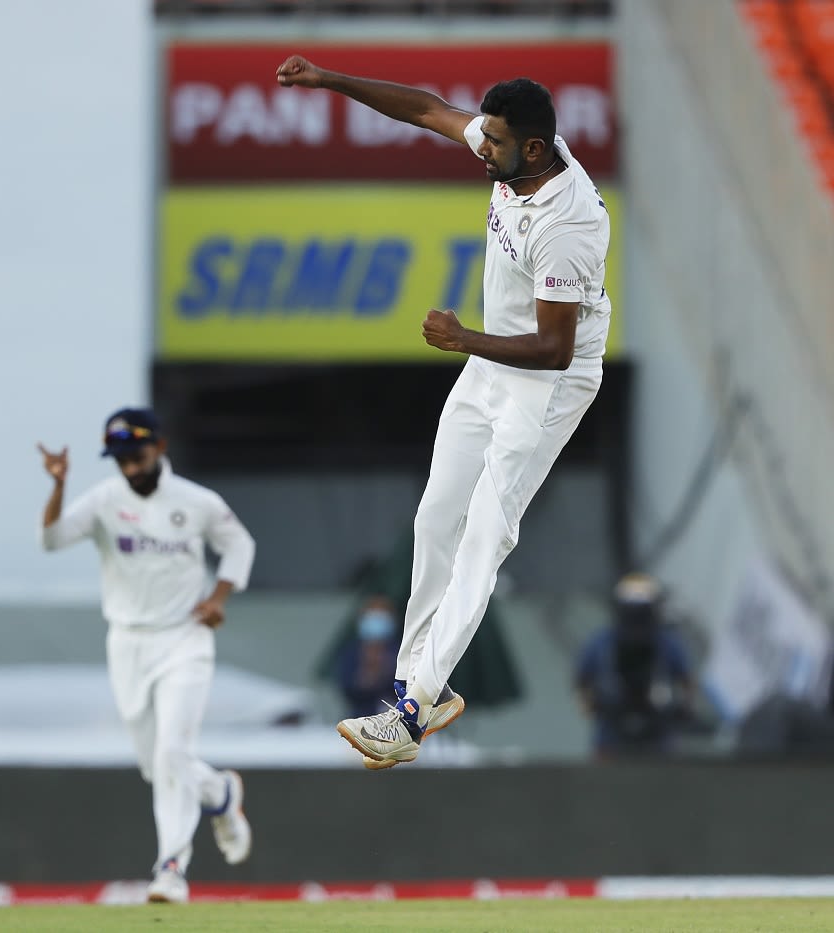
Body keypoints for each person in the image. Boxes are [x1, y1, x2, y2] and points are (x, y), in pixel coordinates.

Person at [276, 57, 611, 768]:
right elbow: (427, 109)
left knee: (486, 534)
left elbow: (555, 349)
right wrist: (331, 81)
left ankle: (413, 710)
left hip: (549, 383)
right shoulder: (514, 156)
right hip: (491, 363)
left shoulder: (569, 220)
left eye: (492, 140)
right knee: (436, 519)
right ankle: (414, 685)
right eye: (483, 135)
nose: (478, 146)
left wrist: (463, 339)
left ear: (531, 147)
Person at [37, 407, 256, 904]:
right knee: (157, 766)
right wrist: (58, 486)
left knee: (173, 752)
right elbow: (50, 540)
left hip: (185, 637)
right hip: (127, 642)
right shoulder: (104, 500)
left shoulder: (196, 502)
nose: (129, 467)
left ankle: (171, 870)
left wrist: (218, 598)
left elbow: (240, 545)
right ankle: (220, 794)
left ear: (159, 447)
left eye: (136, 455)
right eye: (119, 459)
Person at [576, 572, 695, 759]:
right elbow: (582, 680)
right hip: (612, 732)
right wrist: (590, 706)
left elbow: (686, 681)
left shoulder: (667, 642)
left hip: (658, 733)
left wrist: (683, 709)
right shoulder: (601, 642)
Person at [333, 596, 403, 719]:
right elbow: (345, 686)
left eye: (382, 616)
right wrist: (364, 678)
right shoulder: (352, 651)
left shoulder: (401, 649)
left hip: (398, 719)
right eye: (373, 615)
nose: (377, 620)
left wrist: (385, 671)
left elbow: (407, 685)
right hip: (360, 718)